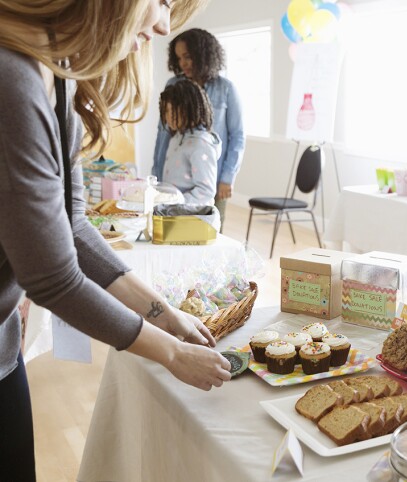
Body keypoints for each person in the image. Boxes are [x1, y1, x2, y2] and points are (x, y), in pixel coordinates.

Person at [0, 1, 231, 480]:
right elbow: (53, 279)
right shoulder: (10, 78)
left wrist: (166, 315)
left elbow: (74, 228)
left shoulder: (57, 75)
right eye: (162, 2)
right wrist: (171, 352)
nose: (165, 26)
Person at [153, 28, 245, 231]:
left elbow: (237, 136)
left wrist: (227, 178)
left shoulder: (225, 88)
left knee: (208, 229)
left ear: (203, 55)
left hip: (213, 174)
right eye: (178, 58)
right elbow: (163, 134)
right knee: (173, 230)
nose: (182, 63)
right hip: (175, 177)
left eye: (187, 56)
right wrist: (157, 176)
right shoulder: (174, 84)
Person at [159, 79, 222, 205]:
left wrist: (176, 203)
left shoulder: (201, 145)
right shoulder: (176, 138)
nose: (168, 117)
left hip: (191, 217)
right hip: (174, 213)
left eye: (174, 111)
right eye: (166, 111)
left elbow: (206, 191)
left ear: (190, 109)